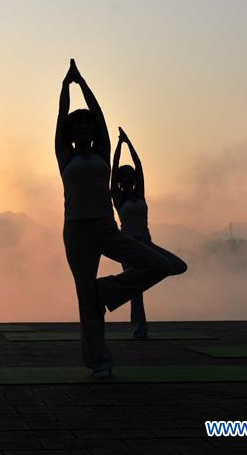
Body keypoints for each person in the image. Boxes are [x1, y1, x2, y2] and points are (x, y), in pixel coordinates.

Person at [55, 59, 183, 377]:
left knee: (160, 265)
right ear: (71, 132)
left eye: (87, 125)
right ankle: (99, 363)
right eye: (78, 125)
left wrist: (83, 84)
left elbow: (99, 116)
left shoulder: (101, 153)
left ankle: (107, 292)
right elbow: (60, 120)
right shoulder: (64, 154)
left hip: (106, 228)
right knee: (86, 302)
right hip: (76, 231)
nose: (84, 128)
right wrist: (65, 87)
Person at [111, 127, 188, 338]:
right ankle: (139, 329)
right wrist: (118, 146)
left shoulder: (140, 194)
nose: (128, 178)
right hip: (128, 244)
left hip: (146, 242)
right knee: (136, 292)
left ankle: (121, 285)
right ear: (119, 179)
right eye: (124, 176)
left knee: (178, 266)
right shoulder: (117, 197)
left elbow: (140, 166)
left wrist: (128, 143)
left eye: (130, 176)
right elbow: (113, 169)